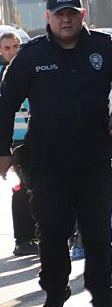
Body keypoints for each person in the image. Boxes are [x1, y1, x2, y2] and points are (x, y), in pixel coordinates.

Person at [0, 0, 112, 306]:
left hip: (94, 160)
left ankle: (103, 293)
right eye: (59, 15)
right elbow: (5, 104)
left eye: (71, 14)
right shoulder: (32, 55)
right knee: (51, 232)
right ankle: (55, 289)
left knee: (98, 233)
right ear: (47, 17)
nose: (65, 20)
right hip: (48, 164)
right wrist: (3, 152)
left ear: (82, 15)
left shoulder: (103, 48)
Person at [0, 32, 38, 256]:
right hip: (15, 141)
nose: (12, 51)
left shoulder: (28, 71)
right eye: (7, 48)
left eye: (16, 46)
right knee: (21, 188)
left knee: (39, 187)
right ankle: (23, 239)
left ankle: (36, 233)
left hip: (35, 137)